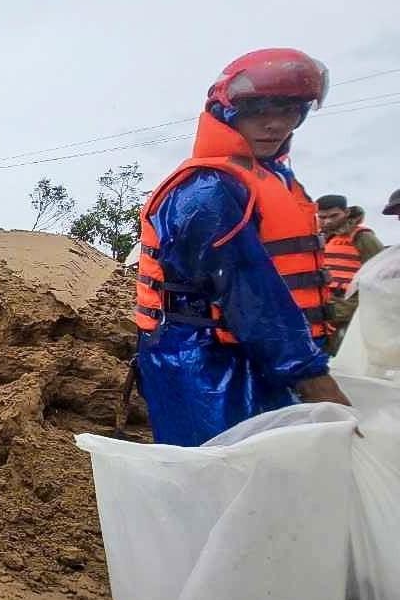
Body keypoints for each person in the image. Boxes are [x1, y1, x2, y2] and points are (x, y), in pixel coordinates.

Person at [135, 48, 350, 447]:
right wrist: (313, 379)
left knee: (274, 479)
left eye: (289, 111)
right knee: (222, 480)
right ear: (227, 113)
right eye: (258, 111)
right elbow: (251, 295)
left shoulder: (271, 179)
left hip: (263, 359)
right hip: (208, 366)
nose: (275, 124)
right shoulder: (206, 192)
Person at [316, 194, 384, 355]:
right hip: (324, 310)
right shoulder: (320, 239)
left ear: (346, 212)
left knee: (343, 358)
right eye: (322, 217)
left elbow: (382, 271)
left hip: (350, 312)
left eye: (334, 216)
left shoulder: (362, 237)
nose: (328, 221)